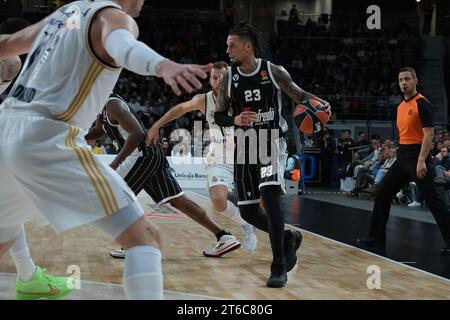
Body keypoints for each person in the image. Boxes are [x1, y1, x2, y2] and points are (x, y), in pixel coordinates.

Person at [0, 0, 211, 300]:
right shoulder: (113, 16)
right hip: (44, 136)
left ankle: (30, 277)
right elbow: (124, 46)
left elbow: (7, 43)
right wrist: (163, 65)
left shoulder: (65, 13)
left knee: (3, 240)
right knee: (144, 239)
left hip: (4, 130)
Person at [214, 22, 331, 287]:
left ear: (248, 46)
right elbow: (218, 115)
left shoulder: (273, 71)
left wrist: (319, 103)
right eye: (227, 45)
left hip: (270, 142)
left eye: (232, 45)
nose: (227, 49)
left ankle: (278, 265)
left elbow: (299, 95)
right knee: (248, 212)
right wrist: (235, 119)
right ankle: (288, 238)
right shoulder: (228, 79)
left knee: (270, 195)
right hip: (244, 145)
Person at [86, 93, 241, 258]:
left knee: (117, 194)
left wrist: (115, 164)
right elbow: (98, 130)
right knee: (179, 201)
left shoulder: (113, 105)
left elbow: (137, 133)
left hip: (142, 155)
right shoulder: (100, 109)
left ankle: (137, 243)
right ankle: (224, 235)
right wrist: (79, 135)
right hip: (150, 155)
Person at [0, 17, 77, 300]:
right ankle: (29, 277)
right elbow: (10, 65)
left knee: (8, 210)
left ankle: (29, 276)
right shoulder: (10, 60)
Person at [146, 61, 257, 252]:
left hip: (245, 154)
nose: (218, 80)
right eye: (214, 77)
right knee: (218, 201)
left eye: (222, 77)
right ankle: (246, 225)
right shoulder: (204, 100)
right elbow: (180, 109)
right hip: (220, 156)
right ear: (211, 80)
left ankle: (281, 243)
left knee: (262, 202)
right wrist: (157, 125)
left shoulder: (243, 95)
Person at [357, 67, 450, 255]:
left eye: (407, 79)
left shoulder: (422, 103)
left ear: (415, 81)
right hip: (403, 156)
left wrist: (422, 160)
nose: (404, 83)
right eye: (401, 80)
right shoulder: (400, 107)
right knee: (382, 192)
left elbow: (429, 134)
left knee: (434, 201)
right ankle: (376, 240)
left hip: (418, 156)